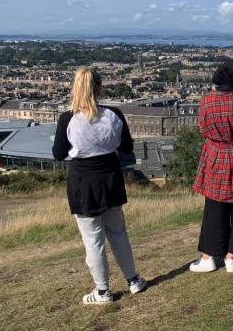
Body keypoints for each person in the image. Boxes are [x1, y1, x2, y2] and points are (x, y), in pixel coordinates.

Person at [52, 67, 147, 305]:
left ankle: (103, 291)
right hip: (111, 179)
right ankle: (133, 280)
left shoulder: (68, 118)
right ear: (100, 87)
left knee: (93, 240)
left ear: (75, 87)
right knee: (119, 233)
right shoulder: (114, 114)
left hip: (83, 183)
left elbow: (58, 154)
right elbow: (126, 148)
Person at [189, 59, 233, 273]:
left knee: (214, 206)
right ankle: (232, 257)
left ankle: (208, 258)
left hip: (215, 155)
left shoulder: (207, 101)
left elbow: (203, 129)